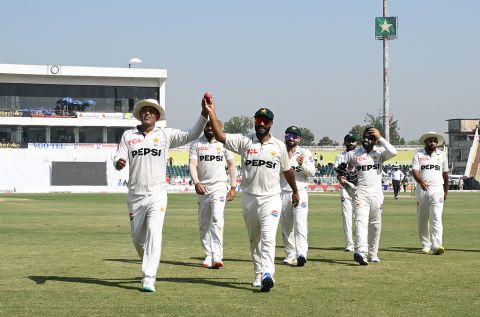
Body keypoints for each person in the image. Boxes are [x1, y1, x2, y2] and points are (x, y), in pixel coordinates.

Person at [204, 97, 299, 293]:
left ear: (271, 124)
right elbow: (221, 136)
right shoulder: (245, 141)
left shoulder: (279, 146)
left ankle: (267, 274)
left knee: (268, 236)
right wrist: (212, 112)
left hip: (271, 198)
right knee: (254, 239)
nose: (261, 123)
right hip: (249, 198)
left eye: (265, 121)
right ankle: (258, 273)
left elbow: (287, 170)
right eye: (258, 120)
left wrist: (296, 191)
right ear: (254, 122)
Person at [114, 98, 208, 292]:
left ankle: (148, 277)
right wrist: (119, 163)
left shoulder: (165, 135)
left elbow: (193, 134)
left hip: (157, 193)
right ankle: (150, 261)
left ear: (157, 116)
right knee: (137, 239)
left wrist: (204, 114)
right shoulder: (128, 135)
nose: (147, 113)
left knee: (154, 234)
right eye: (144, 110)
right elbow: (119, 156)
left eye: (151, 111)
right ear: (140, 114)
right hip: (135, 195)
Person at [338, 127, 397, 265]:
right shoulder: (355, 153)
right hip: (361, 193)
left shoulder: (380, 152)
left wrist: (380, 138)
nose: (367, 139)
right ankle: (361, 252)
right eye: (365, 136)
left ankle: (373, 253)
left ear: (374, 139)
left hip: (377, 194)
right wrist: (340, 176)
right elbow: (339, 163)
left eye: (370, 137)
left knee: (375, 225)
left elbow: (394, 152)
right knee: (361, 222)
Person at [189, 120, 237, 269]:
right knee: (204, 223)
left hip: (219, 187)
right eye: (207, 126)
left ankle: (217, 255)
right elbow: (192, 164)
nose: (209, 128)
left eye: (212, 126)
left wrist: (233, 186)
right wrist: (196, 182)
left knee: (217, 218)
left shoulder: (224, 144)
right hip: (203, 187)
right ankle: (208, 255)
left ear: (218, 128)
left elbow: (231, 165)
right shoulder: (196, 144)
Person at [280, 126, 316, 267]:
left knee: (300, 224)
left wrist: (302, 165)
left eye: (294, 136)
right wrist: (285, 161)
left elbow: (312, 172)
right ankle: (290, 254)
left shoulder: (305, 153)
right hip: (282, 192)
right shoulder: (279, 151)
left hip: (300, 191)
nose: (291, 138)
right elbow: (275, 172)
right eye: (289, 135)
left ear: (299, 139)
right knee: (286, 226)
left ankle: (302, 254)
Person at [412, 131, 449, 255]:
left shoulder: (442, 155)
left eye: (434, 140)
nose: (432, 142)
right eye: (429, 140)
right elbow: (415, 171)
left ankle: (437, 244)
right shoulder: (418, 155)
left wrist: (446, 191)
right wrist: (421, 182)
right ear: (425, 142)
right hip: (422, 190)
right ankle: (425, 245)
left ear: (437, 143)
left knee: (437, 217)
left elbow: (445, 173)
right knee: (422, 218)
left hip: (437, 189)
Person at [333, 133, 358, 252]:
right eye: (349, 141)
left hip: (359, 189)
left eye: (353, 141)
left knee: (359, 217)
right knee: (347, 218)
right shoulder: (340, 156)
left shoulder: (361, 155)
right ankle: (350, 244)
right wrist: (340, 176)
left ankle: (360, 242)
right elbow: (336, 170)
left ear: (356, 142)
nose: (351, 143)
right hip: (345, 188)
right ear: (345, 142)